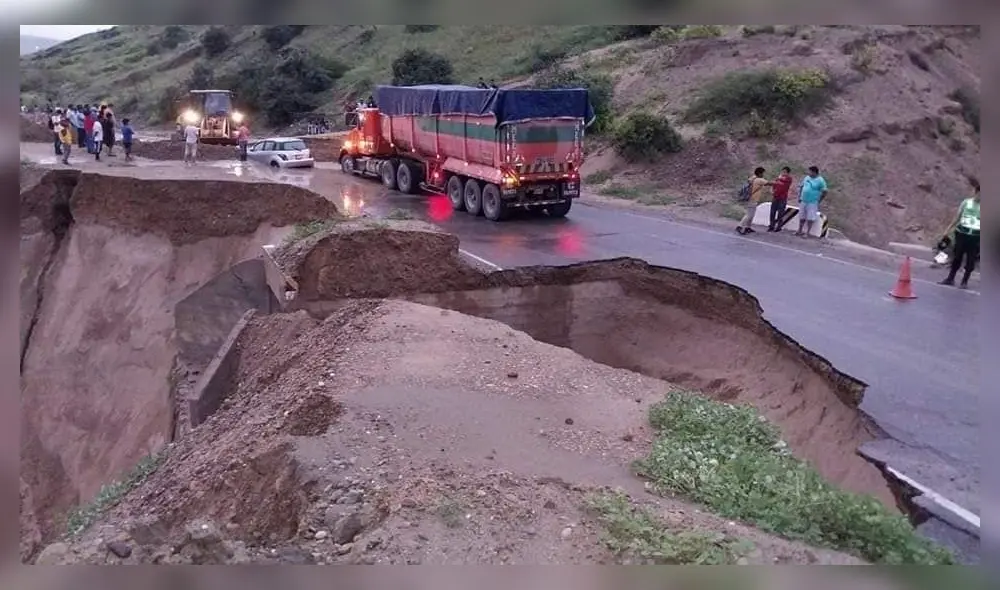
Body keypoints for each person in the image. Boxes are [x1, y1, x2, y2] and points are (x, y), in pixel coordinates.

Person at [939, 177, 981, 288]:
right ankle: (950, 278)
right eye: (979, 194)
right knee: (957, 257)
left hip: (976, 237)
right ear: (976, 192)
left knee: (971, 261)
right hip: (962, 234)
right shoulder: (966, 203)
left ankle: (964, 282)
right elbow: (957, 218)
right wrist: (947, 231)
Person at [737, 167, 772, 235]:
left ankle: (748, 227)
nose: (763, 174)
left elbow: (749, 181)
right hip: (753, 199)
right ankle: (740, 226)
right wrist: (779, 181)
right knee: (749, 215)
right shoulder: (759, 180)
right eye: (763, 173)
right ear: (759, 173)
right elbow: (769, 183)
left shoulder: (753, 178)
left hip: (749, 197)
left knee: (751, 214)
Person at [796, 165, 828, 237]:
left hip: (812, 202)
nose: (809, 173)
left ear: (814, 172)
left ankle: (807, 233)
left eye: (810, 171)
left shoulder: (820, 180)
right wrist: (799, 196)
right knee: (802, 216)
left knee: (810, 218)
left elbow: (825, 191)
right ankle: (799, 230)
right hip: (803, 200)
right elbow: (802, 186)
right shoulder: (807, 178)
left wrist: (819, 200)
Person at [767, 166, 793, 232]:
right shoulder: (779, 178)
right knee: (772, 212)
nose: (783, 173)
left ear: (788, 173)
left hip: (782, 198)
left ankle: (779, 226)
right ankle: (771, 226)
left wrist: (779, 178)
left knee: (780, 213)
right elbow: (774, 184)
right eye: (782, 171)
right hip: (775, 197)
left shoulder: (789, 179)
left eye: (785, 172)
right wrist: (772, 190)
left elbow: (783, 181)